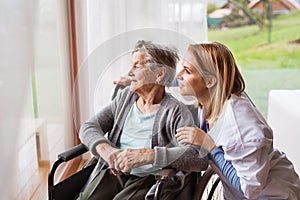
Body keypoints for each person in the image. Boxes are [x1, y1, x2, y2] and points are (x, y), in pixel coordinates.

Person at [77, 40, 208, 200]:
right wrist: (108, 151)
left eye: (137, 66)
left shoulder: (175, 111)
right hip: (115, 171)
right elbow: (89, 127)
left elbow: (197, 157)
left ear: (160, 74)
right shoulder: (125, 98)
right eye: (131, 65)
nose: (129, 72)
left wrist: (147, 155)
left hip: (150, 178)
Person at [175, 42, 300, 199]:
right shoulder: (211, 100)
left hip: (273, 195)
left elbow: (248, 189)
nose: (179, 75)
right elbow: (174, 82)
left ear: (209, 81)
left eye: (187, 70)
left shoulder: (240, 125)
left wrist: (209, 145)